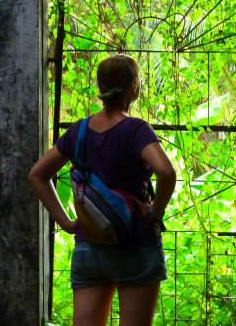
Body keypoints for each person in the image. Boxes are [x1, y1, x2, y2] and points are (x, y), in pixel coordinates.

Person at [29, 54, 177, 326]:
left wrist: (67, 223)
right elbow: (166, 171)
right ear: (133, 86)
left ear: (101, 86)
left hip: (90, 245)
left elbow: (37, 174)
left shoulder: (79, 131)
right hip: (136, 246)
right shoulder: (136, 129)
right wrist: (155, 214)